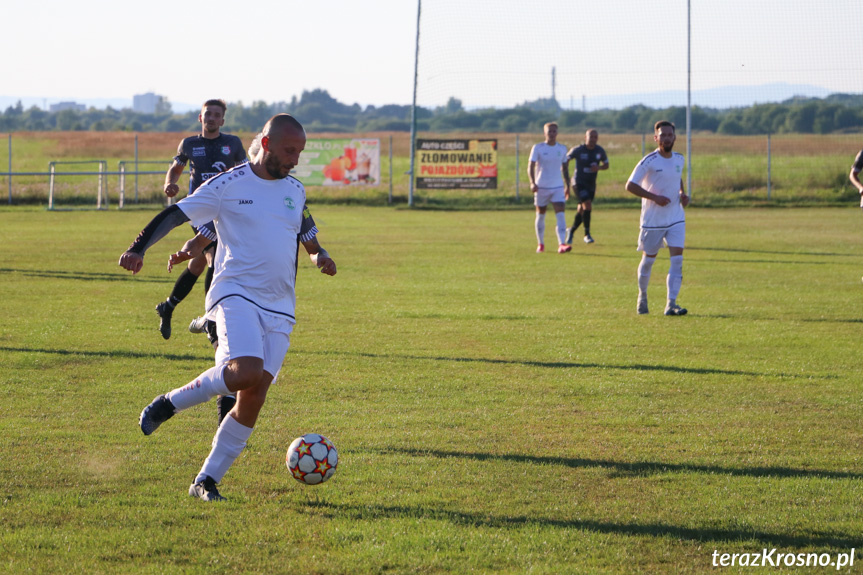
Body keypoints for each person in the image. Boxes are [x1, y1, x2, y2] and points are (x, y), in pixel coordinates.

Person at [119, 114, 337, 501]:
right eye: (290, 150)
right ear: (267, 143)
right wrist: (138, 247)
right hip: (235, 293)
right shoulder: (229, 183)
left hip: (281, 307)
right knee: (244, 371)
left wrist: (319, 256)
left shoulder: (295, 191)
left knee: (253, 397)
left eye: (300, 152)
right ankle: (171, 402)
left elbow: (306, 233)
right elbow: (176, 213)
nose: (296, 159)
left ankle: (205, 480)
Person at [155, 99, 246, 341]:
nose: (212, 118)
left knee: (198, 263)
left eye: (217, 115)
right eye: (208, 114)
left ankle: (169, 306)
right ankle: (212, 320)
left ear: (222, 120)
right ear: (200, 117)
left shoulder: (233, 143)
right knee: (215, 257)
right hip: (200, 210)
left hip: (226, 210)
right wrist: (169, 183)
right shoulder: (189, 144)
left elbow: (246, 173)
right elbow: (176, 168)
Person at [625, 120, 689, 316]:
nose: (667, 138)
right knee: (648, 261)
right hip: (653, 221)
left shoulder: (679, 159)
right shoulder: (649, 161)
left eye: (670, 135)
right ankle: (642, 295)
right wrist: (654, 197)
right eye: (663, 135)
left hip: (676, 217)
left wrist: (682, 193)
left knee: (677, 260)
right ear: (656, 138)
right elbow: (630, 185)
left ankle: (671, 303)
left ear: (675, 137)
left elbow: (676, 177)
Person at [528, 122, 571, 253]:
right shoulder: (538, 148)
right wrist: (532, 182)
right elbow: (531, 166)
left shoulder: (562, 148)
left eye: (554, 131)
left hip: (557, 187)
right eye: (549, 131)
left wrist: (567, 185)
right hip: (542, 187)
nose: (552, 134)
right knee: (541, 215)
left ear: (557, 133)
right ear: (545, 133)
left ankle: (561, 244)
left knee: (561, 215)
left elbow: (565, 168)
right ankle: (540, 244)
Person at [565, 129, 609, 245]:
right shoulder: (578, 150)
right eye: (591, 137)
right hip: (578, 182)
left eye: (595, 137)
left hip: (591, 184)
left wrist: (598, 168)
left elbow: (606, 165)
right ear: (585, 137)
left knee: (582, 209)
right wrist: (565, 170)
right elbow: (566, 159)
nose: (593, 139)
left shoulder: (599, 151)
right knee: (587, 205)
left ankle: (571, 230)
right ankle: (587, 234)